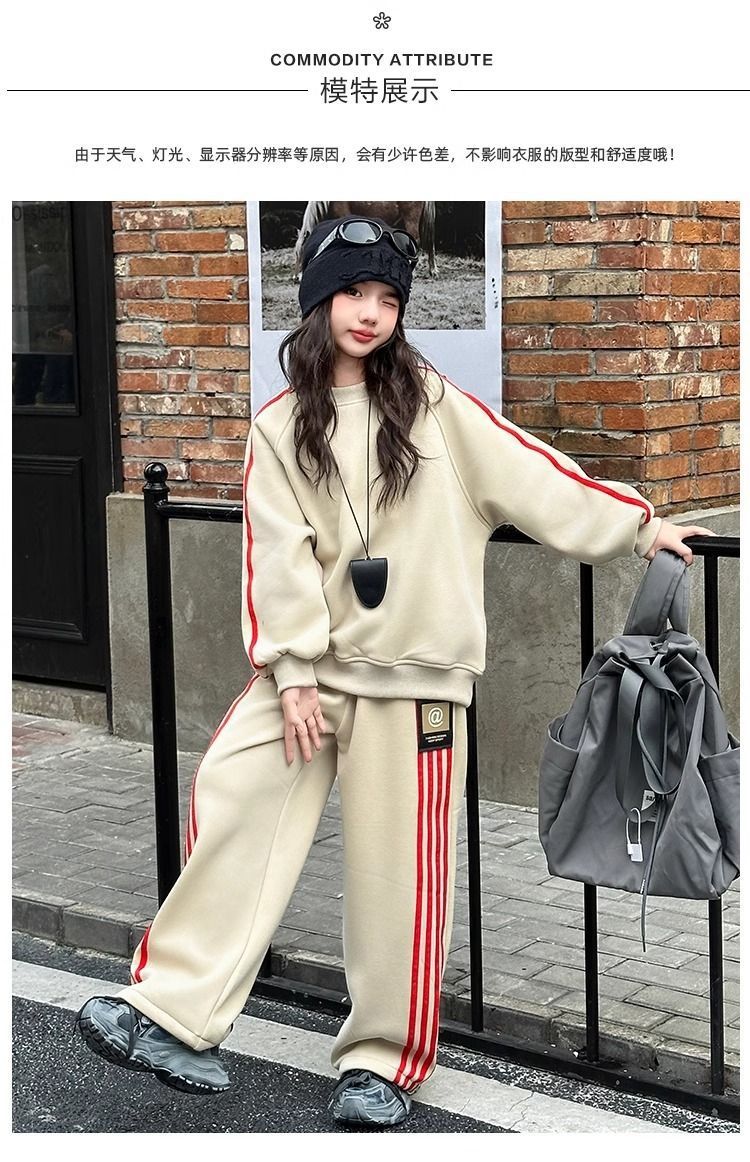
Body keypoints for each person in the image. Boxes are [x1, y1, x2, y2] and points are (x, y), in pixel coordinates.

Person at [75, 214, 716, 1128]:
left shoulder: (435, 408)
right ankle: (171, 1012)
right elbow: (278, 557)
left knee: (397, 875)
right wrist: (293, 670)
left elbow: (535, 477)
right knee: (234, 796)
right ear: (317, 301)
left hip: (415, 684)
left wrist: (638, 525)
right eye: (352, 292)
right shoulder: (279, 426)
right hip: (312, 675)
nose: (370, 312)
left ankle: (382, 1062)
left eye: (386, 296)